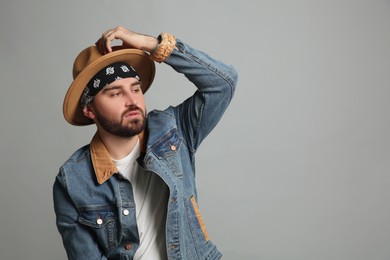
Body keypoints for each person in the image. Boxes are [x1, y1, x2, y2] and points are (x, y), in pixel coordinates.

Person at [53, 26, 238, 260]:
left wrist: (152, 45)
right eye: (115, 93)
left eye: (136, 88)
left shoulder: (173, 129)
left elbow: (223, 84)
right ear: (90, 110)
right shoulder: (72, 180)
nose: (133, 101)